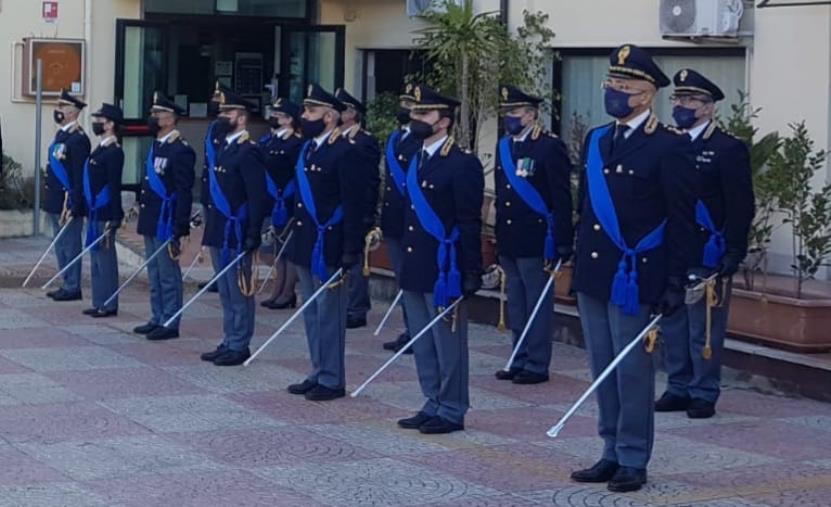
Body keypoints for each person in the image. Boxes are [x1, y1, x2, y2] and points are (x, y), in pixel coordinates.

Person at [569, 45, 697, 492]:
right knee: (603, 366)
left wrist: (676, 280)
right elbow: (584, 205)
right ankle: (609, 449)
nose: (614, 93)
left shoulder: (669, 146)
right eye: (611, 85)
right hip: (596, 272)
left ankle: (632, 457)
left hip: (637, 274)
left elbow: (682, 219)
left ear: (647, 95)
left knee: (632, 371)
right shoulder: (597, 139)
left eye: (624, 87)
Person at [656, 69, 755, 419]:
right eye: (678, 99)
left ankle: (703, 390)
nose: (682, 106)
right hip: (670, 248)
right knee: (673, 322)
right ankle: (678, 385)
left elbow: (741, 203)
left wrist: (734, 250)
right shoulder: (667, 144)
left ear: (709, 108)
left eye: (690, 100)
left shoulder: (726, 149)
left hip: (706, 249)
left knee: (704, 327)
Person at [395, 85, 484, 435]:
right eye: (415, 113)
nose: (417, 120)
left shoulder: (462, 164)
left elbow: (468, 221)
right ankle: (431, 400)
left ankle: (452, 407)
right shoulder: (417, 158)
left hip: (446, 266)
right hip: (417, 260)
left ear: (444, 122)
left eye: (425, 114)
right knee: (423, 338)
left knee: (448, 343)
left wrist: (471, 269)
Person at [285, 84, 365, 401]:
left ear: (330, 117)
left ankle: (332, 378)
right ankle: (317, 370)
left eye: (311, 111)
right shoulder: (309, 149)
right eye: (305, 111)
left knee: (329, 313)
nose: (305, 117)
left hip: (329, 243)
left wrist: (350, 249)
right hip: (307, 241)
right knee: (312, 312)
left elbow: (354, 203)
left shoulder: (346, 151)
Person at [493, 85, 574, 384]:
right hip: (510, 237)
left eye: (514, 112)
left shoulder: (548, 146)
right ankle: (519, 356)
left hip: (537, 237)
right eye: (506, 113)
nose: (509, 118)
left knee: (536, 303)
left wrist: (564, 240)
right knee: (515, 301)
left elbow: (562, 197)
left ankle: (537, 363)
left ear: (530, 115)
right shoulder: (506, 145)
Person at [198, 89, 269, 366]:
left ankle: (240, 343)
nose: (222, 117)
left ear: (241, 118)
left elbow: (257, 196)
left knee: (239, 290)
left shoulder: (248, 151)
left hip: (238, 231)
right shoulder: (225, 148)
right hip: (220, 229)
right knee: (226, 290)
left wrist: (253, 232)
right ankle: (228, 339)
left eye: (228, 113)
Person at [133, 93, 196, 341]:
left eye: (157, 114)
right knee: (154, 271)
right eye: (153, 113)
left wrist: (181, 224)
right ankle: (156, 316)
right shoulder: (157, 144)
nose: (153, 118)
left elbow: (183, 190)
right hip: (151, 216)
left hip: (166, 219)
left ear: (170, 119)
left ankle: (170, 320)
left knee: (167, 272)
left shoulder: (180, 150)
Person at [334, 88, 382, 330]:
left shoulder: (364, 141)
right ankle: (344, 304)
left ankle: (357, 308)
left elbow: (369, 180)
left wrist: (368, 213)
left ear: (352, 113)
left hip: (358, 208)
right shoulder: (336, 140)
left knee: (356, 260)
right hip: (339, 209)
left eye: (341, 109)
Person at [380, 84, 422, 354]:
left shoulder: (419, 142)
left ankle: (417, 330)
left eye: (409, 107)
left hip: (415, 220)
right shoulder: (396, 138)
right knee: (401, 277)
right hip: (394, 219)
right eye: (403, 105)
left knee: (412, 277)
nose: (403, 110)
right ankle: (410, 327)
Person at [44, 90, 91, 301]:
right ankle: (66, 281)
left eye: (61, 107)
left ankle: (73, 285)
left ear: (72, 112)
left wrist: (74, 202)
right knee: (60, 243)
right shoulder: (61, 135)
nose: (58, 110)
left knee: (71, 244)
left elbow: (79, 175)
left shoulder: (79, 139)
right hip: (56, 198)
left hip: (67, 200)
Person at [259, 97, 304, 310]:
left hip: (287, 200)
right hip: (272, 200)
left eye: (278, 115)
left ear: (289, 120)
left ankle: (288, 292)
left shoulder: (296, 143)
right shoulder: (270, 141)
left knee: (290, 249)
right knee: (276, 249)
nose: (273, 118)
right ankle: (277, 289)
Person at [82, 103, 125, 318]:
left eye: (100, 120)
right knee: (96, 259)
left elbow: (114, 185)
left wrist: (116, 216)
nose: (96, 123)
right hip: (94, 211)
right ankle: (99, 301)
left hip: (105, 210)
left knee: (106, 260)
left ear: (110, 125)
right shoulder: (100, 149)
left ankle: (109, 304)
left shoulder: (114, 152)